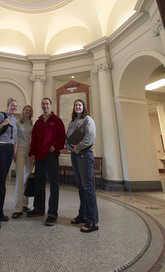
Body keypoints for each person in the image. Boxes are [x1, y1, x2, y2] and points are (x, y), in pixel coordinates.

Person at [28, 97, 65, 226]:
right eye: (43, 104)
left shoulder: (57, 121)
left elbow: (62, 137)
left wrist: (54, 146)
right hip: (38, 156)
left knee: (54, 184)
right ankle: (38, 208)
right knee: (39, 183)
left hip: (51, 155)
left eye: (47, 103)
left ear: (51, 105)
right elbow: (34, 140)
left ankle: (52, 214)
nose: (45, 106)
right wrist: (32, 153)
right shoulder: (38, 122)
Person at [66, 99, 99, 233]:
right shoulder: (73, 122)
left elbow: (90, 136)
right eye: (76, 105)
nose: (77, 107)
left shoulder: (88, 120)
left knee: (88, 187)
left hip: (84, 155)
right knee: (80, 186)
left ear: (83, 107)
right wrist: (70, 147)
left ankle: (93, 221)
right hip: (74, 154)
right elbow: (68, 137)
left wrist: (78, 147)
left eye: (80, 105)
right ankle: (83, 215)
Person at [0, 98, 18, 230]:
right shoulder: (1, 115)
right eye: (12, 105)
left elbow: (14, 138)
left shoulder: (15, 120)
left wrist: (14, 152)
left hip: (9, 149)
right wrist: (3, 123)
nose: (14, 108)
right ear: (7, 106)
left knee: (3, 182)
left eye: (16, 106)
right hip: (0, 148)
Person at [12, 105, 33, 219]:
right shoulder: (17, 123)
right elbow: (14, 139)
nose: (27, 111)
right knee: (20, 180)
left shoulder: (32, 124)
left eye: (29, 110)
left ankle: (25, 204)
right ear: (23, 111)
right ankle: (17, 208)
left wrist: (33, 153)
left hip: (30, 152)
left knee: (26, 179)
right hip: (20, 150)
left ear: (31, 112)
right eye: (26, 109)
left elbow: (34, 139)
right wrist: (13, 153)